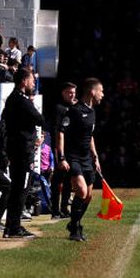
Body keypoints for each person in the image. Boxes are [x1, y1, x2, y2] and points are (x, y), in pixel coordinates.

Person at [58, 77, 105, 242]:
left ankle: (73, 224)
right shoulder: (74, 111)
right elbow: (61, 133)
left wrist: (95, 156)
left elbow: (90, 136)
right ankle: (75, 228)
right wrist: (62, 157)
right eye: (101, 91)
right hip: (73, 157)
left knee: (88, 196)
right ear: (92, 92)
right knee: (82, 192)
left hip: (86, 158)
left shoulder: (92, 112)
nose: (103, 95)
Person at [2, 67, 44, 239]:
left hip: (15, 149)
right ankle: (14, 227)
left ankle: (10, 226)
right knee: (22, 189)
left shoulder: (12, 99)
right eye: (32, 80)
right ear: (24, 81)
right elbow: (39, 119)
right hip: (22, 151)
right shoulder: (22, 100)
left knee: (17, 188)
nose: (33, 83)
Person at [51, 82, 78, 219]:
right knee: (58, 180)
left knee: (68, 180)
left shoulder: (75, 108)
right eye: (69, 92)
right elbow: (57, 131)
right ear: (63, 93)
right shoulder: (59, 108)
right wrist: (59, 154)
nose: (72, 95)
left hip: (71, 149)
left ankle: (64, 209)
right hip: (61, 149)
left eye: (73, 92)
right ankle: (55, 210)